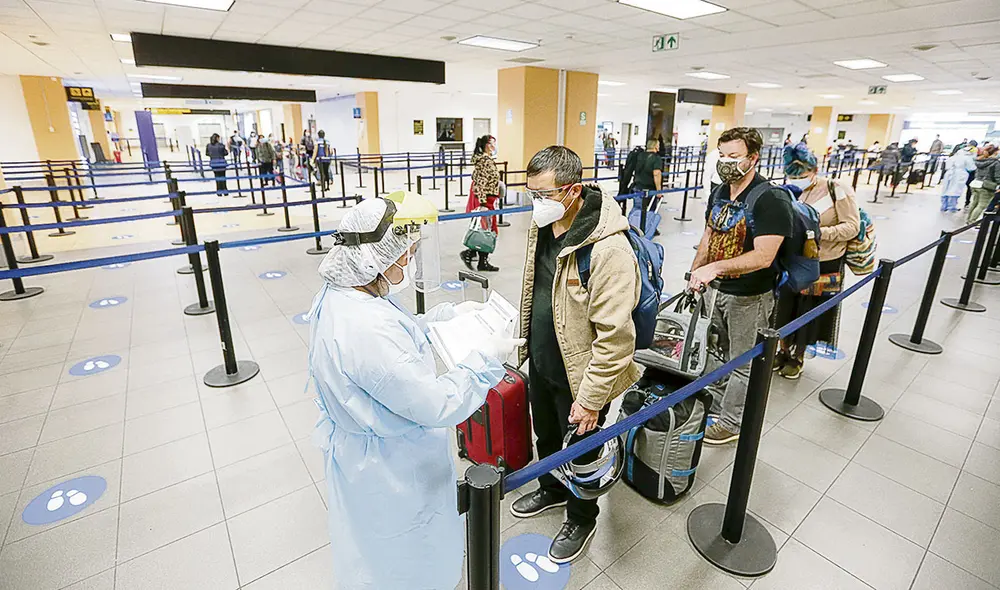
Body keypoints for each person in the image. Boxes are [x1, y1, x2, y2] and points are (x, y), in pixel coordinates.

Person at [307, 196, 522, 590]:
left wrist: (442, 318)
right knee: (405, 560)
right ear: (374, 258)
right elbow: (437, 403)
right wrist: (485, 363)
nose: (407, 264)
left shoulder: (350, 296)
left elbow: (395, 336)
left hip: (369, 456)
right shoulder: (365, 328)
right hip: (392, 470)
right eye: (404, 255)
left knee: (380, 552)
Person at [510, 146, 641, 564]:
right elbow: (538, 288)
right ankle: (550, 489)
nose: (537, 203)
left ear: (574, 190)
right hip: (545, 360)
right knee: (545, 436)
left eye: (545, 195)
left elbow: (616, 338)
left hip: (582, 375)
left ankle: (582, 518)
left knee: (582, 454)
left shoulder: (609, 251)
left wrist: (591, 398)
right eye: (532, 193)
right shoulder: (543, 225)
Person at [688, 127, 794, 445]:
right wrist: (695, 273)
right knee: (716, 351)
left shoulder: (771, 199)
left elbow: (763, 256)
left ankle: (733, 422)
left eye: (734, 157)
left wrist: (716, 267)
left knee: (742, 360)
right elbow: (709, 235)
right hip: (715, 290)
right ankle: (719, 405)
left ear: (753, 158)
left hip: (749, 295)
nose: (726, 162)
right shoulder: (720, 192)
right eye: (721, 155)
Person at [773, 144, 860, 379]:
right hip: (791, 259)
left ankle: (797, 356)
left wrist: (819, 232)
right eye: (792, 175)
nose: (798, 180)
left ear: (815, 169)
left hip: (824, 260)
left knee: (808, 310)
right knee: (783, 308)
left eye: (802, 175)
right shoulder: (787, 188)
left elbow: (852, 226)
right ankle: (781, 350)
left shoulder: (836, 189)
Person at [461, 135, 501, 272]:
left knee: (485, 229)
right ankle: (473, 256)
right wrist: (483, 203)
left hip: (488, 199)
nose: (495, 146)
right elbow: (481, 182)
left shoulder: (486, 160)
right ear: (488, 145)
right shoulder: (485, 161)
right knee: (487, 230)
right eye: (493, 144)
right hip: (485, 200)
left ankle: (477, 257)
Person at [967, 144, 1000, 223]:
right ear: (995, 153)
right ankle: (972, 221)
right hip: (986, 185)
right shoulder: (996, 163)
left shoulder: (980, 160)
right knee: (982, 205)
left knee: (974, 203)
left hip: (975, 183)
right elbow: (997, 176)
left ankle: (968, 219)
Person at [941, 144, 976, 212]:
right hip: (960, 174)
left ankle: (944, 206)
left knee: (946, 189)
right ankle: (952, 207)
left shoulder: (953, 157)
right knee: (955, 190)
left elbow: (946, 166)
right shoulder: (967, 158)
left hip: (949, 173)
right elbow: (971, 167)